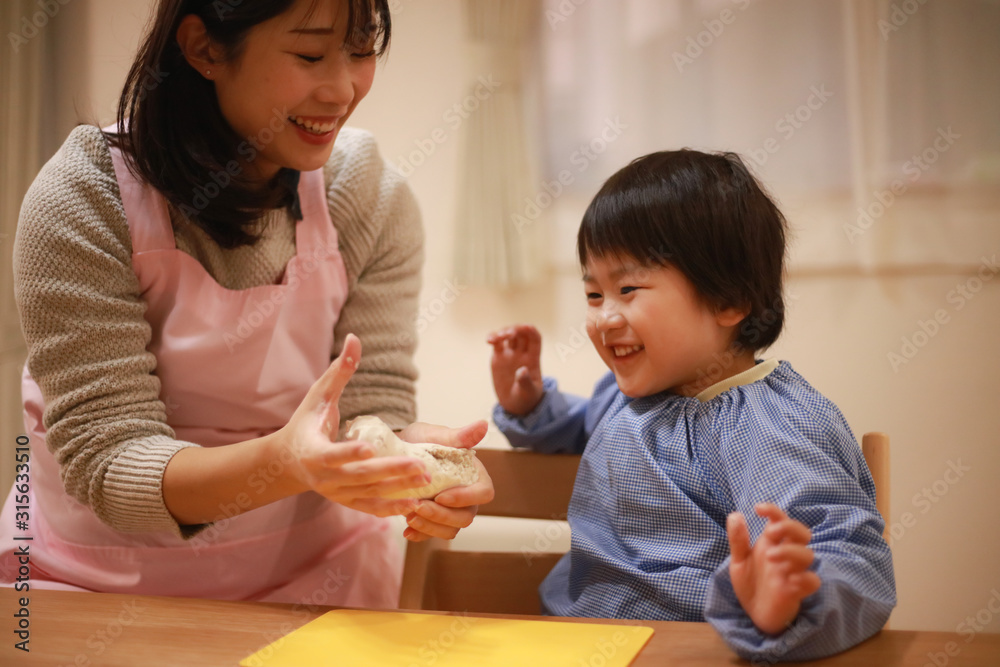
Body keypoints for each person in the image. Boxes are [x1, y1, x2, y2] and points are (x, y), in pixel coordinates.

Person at [0, 0, 493, 607]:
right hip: (95, 585)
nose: (343, 88)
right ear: (205, 48)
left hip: (315, 580)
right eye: (309, 54)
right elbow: (108, 460)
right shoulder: (87, 196)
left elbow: (371, 405)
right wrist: (284, 464)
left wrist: (409, 459)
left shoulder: (363, 195)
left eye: (361, 50)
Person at [488, 150, 895, 661]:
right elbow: (577, 425)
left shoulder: (770, 426)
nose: (604, 319)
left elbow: (850, 556)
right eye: (594, 294)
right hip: (569, 643)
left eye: (628, 288)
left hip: (690, 651)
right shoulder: (626, 395)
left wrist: (789, 601)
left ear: (728, 299)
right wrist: (530, 404)